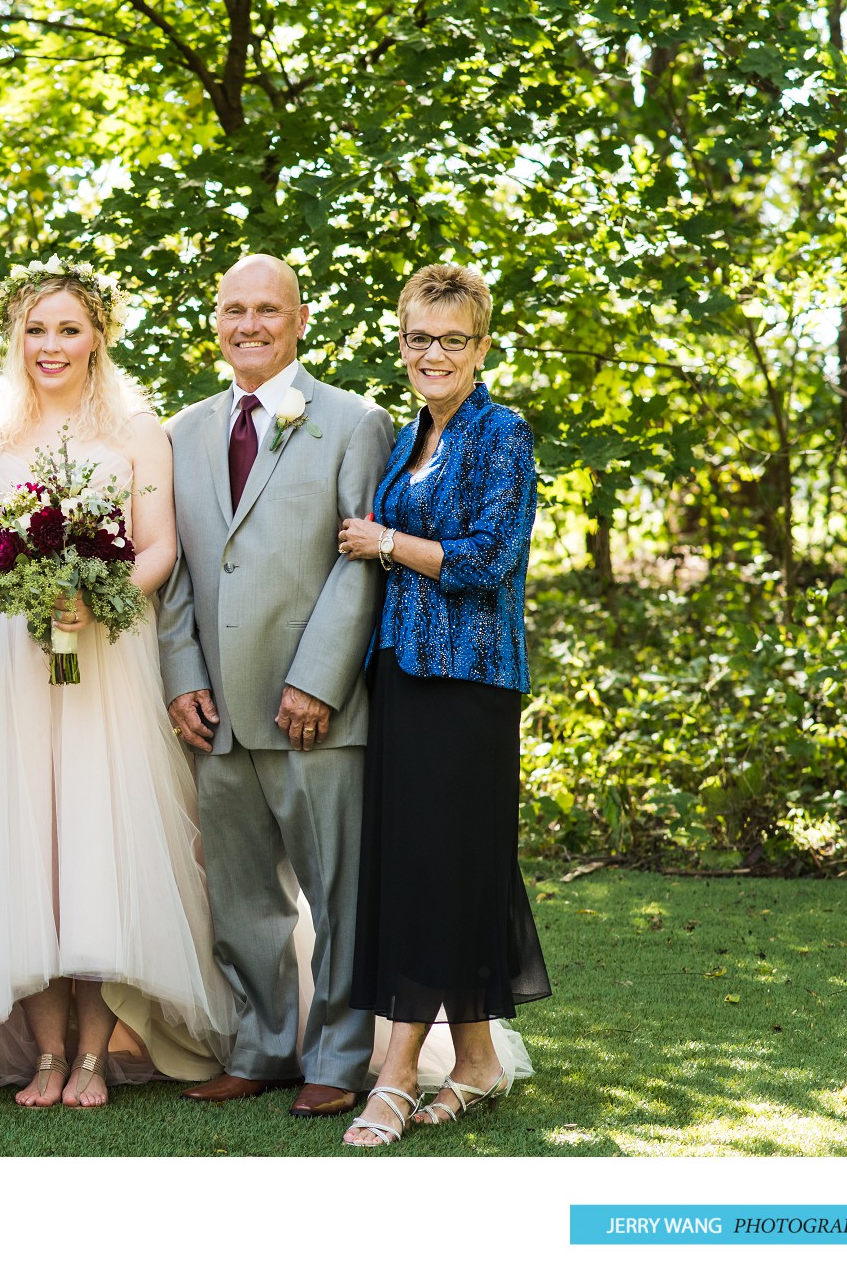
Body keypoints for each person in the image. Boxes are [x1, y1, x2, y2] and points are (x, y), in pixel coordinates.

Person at [0, 266, 235, 1107]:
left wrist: (104, 591)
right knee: (26, 852)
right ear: (18, 338)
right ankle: (45, 1054)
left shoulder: (136, 430)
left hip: (104, 658)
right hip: (13, 663)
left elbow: (158, 545)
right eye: (36, 330)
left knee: (93, 845)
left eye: (68, 329)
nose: (51, 346)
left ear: (96, 338)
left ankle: (92, 1053)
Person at [157, 255, 396, 1121]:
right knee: (240, 896)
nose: (249, 324)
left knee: (338, 894)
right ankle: (260, 1046)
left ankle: (340, 1055)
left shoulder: (355, 420)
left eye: (267, 310)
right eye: (233, 310)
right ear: (216, 321)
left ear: (299, 319)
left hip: (315, 712)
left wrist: (319, 681)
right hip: (215, 710)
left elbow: (360, 564)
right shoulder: (180, 430)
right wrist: (180, 676)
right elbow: (178, 564)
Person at [337, 264, 549, 1148]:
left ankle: (393, 1076)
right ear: (402, 342)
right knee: (444, 863)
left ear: (481, 346)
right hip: (401, 674)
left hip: (468, 682)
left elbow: (488, 558)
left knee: (435, 864)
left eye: (452, 338)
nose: (434, 353)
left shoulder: (501, 431)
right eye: (420, 337)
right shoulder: (406, 437)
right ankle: (478, 1060)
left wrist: (386, 540)